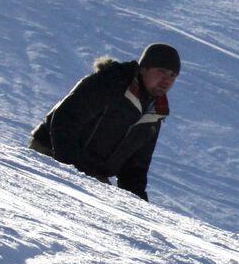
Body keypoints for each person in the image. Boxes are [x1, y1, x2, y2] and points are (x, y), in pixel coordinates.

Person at [30, 43, 181, 202]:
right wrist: (68, 167)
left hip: (91, 172)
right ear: (144, 68)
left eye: (173, 75)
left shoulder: (154, 112)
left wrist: (139, 208)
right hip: (50, 151)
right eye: (162, 71)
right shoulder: (112, 82)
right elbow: (66, 118)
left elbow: (134, 169)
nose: (167, 80)